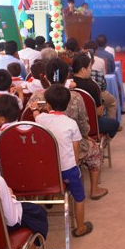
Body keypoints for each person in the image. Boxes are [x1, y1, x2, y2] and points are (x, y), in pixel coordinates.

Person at [28, 58, 108, 200]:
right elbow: (84, 126)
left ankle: (47, 190)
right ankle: (94, 189)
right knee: (95, 149)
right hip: (71, 148)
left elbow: (30, 124)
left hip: (42, 149)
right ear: (67, 76)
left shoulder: (36, 97)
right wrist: (85, 135)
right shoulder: (76, 97)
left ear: (46, 76)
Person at [30, 85, 93, 237]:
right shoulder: (71, 123)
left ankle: (49, 197)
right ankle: (80, 227)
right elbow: (76, 147)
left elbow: (36, 115)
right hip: (68, 169)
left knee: (50, 178)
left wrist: (34, 108)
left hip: (46, 171)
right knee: (79, 197)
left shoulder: (42, 119)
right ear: (67, 104)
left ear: (48, 104)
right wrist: (76, 163)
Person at [71, 54, 120, 137]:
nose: (91, 70)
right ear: (83, 69)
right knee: (115, 124)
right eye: (90, 67)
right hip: (91, 126)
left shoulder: (68, 83)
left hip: (73, 124)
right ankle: (102, 143)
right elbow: (98, 112)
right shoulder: (92, 86)